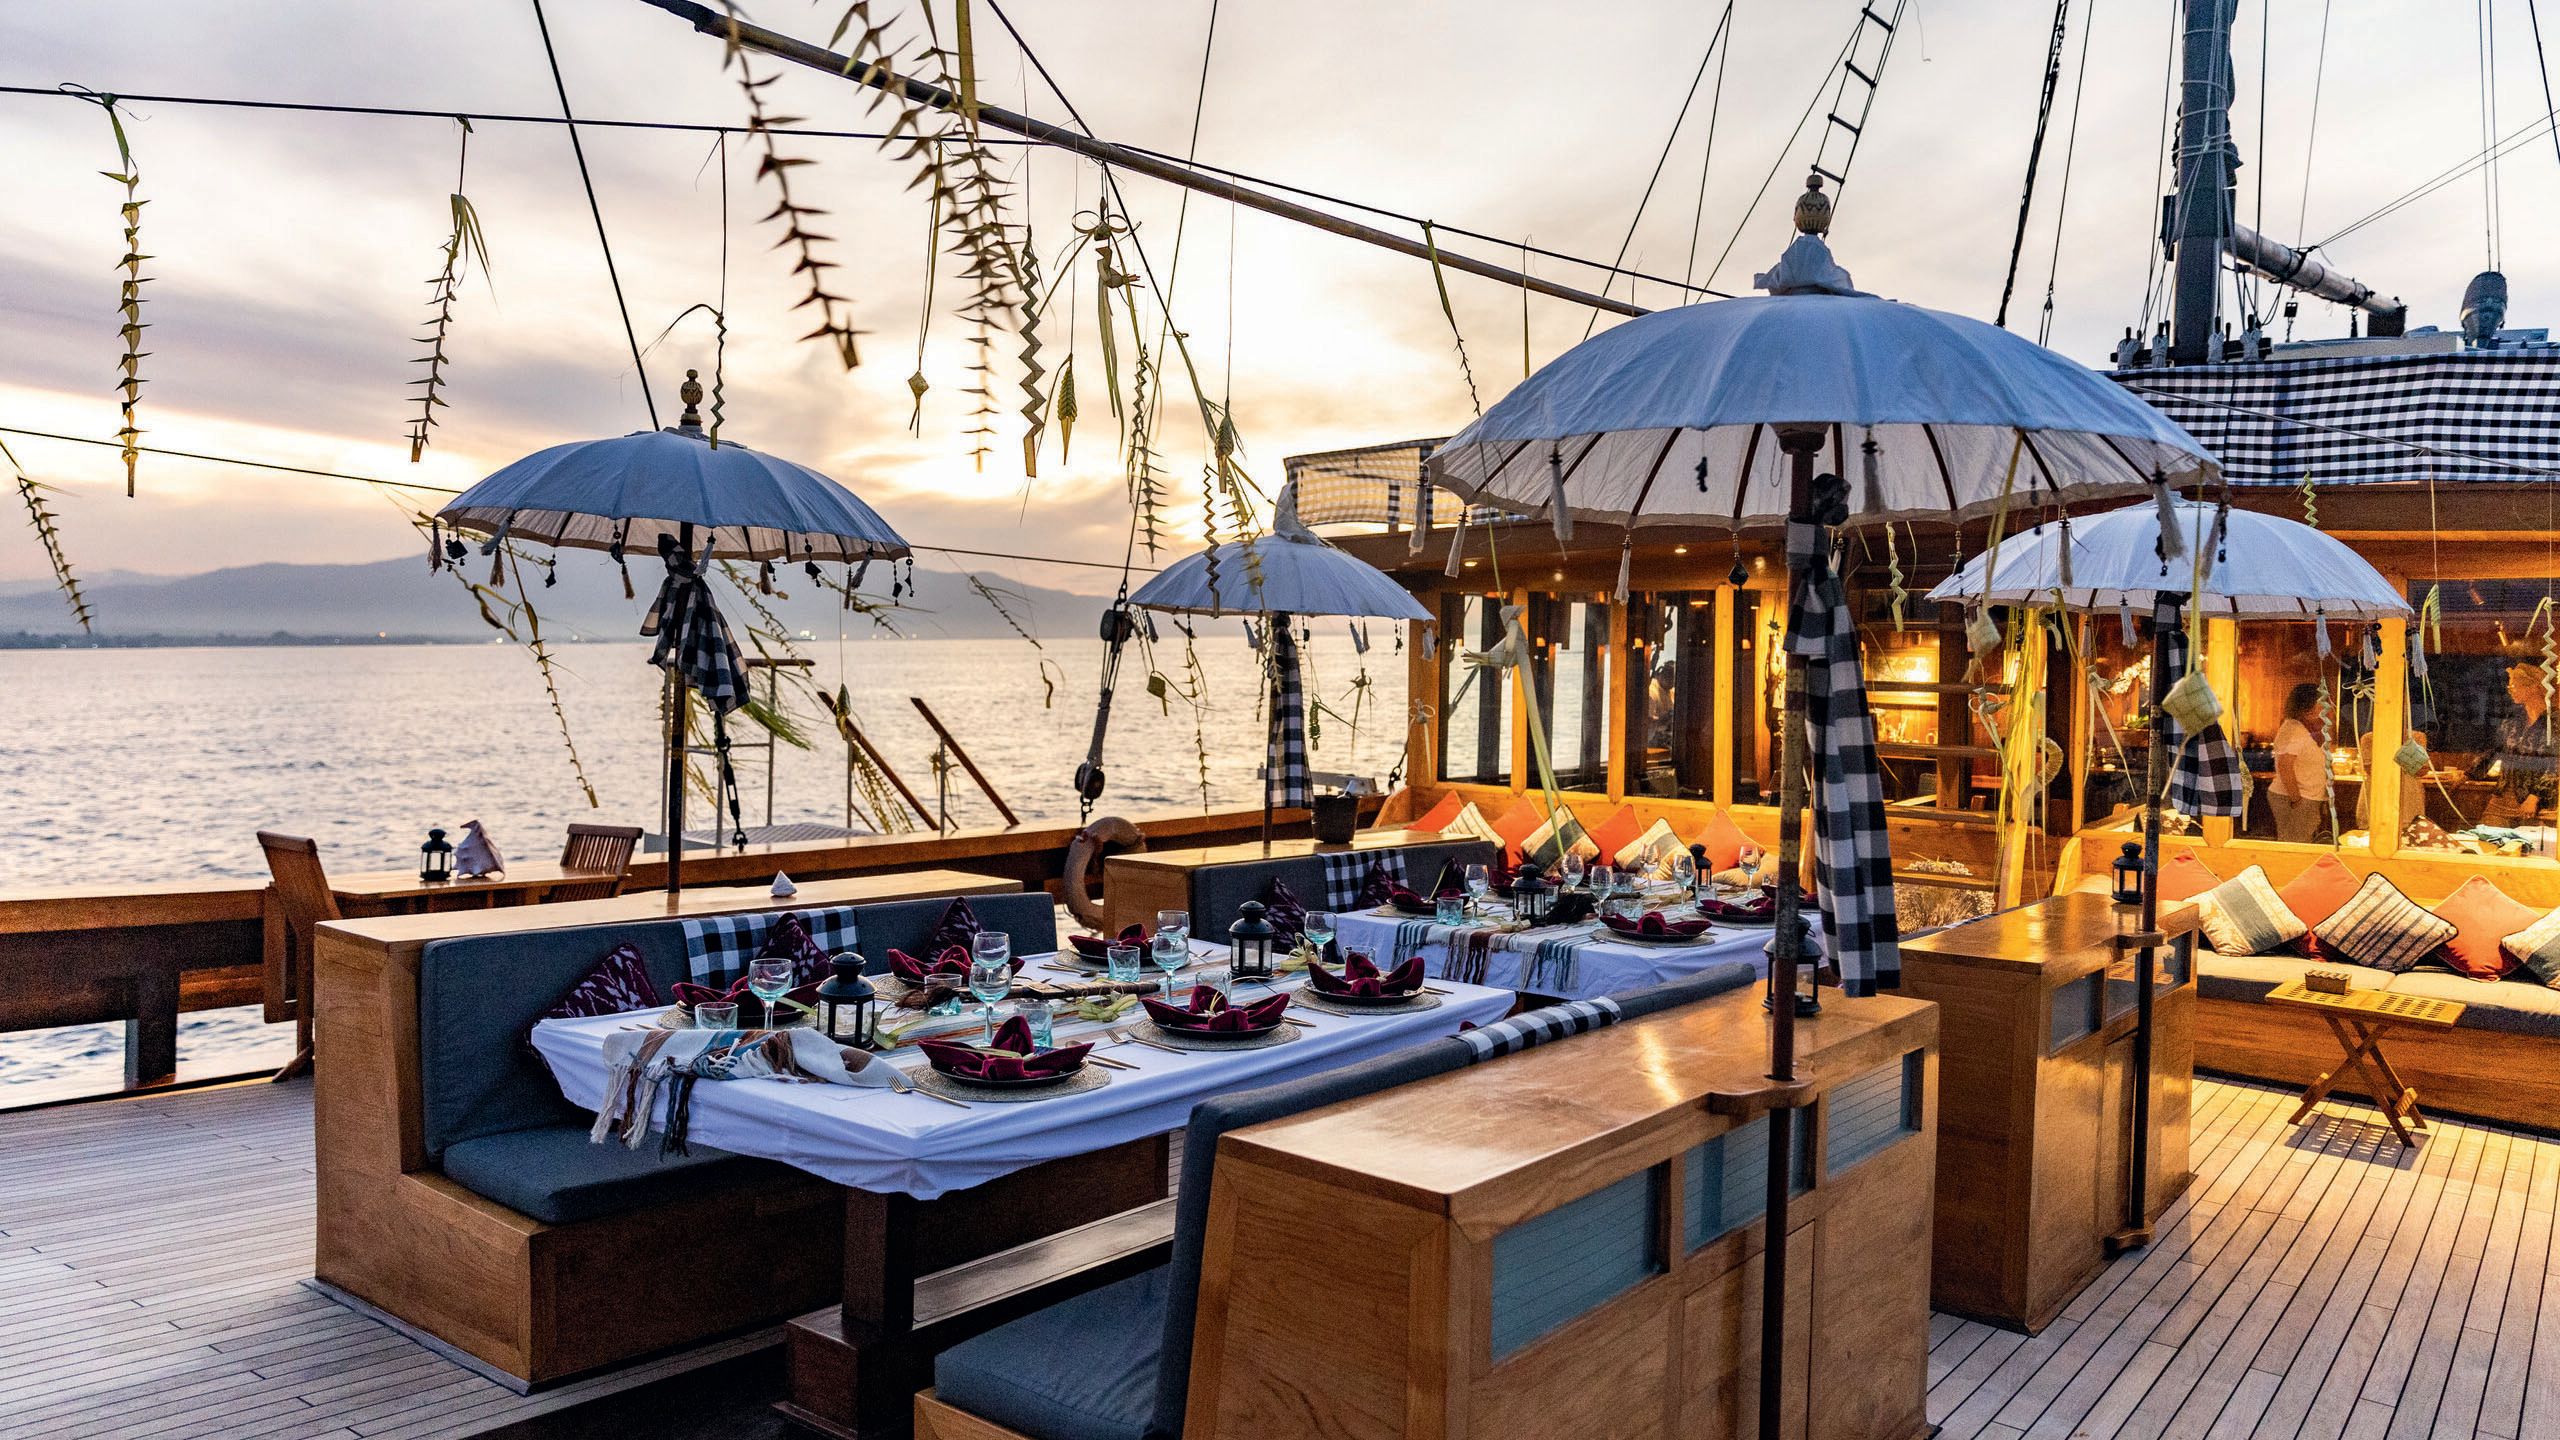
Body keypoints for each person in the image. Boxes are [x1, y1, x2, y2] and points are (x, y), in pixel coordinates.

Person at [2488, 662, 2558, 824]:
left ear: (2533, 687)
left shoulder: (2554, 720)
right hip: (2503, 796)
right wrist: (2467, 774)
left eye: (2515, 686)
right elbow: (2496, 750)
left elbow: (2555, 764)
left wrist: (2534, 797)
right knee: (2485, 838)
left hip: (2536, 802)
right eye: (2509, 687)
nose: (2511, 690)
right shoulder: (2514, 719)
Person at [2267, 682, 2328, 843]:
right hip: (2297, 798)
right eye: (2322, 702)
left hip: (2305, 797)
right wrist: (2296, 800)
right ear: (2309, 706)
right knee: (2295, 847)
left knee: (2298, 843)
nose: (2326, 706)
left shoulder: (2299, 727)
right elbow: (2285, 766)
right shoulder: (2294, 730)